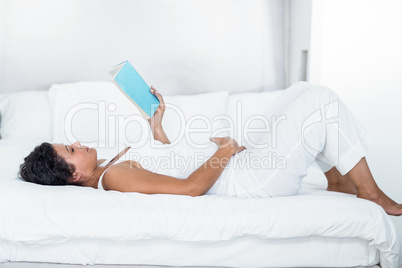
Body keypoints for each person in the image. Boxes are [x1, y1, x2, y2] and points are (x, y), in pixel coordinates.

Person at [19, 84, 402, 216]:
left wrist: (157, 125)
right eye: (72, 148)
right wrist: (227, 150)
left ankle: (337, 180)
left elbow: (165, 164)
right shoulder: (113, 177)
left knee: (300, 91)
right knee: (319, 100)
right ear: (74, 175)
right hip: (246, 180)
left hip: (231, 163)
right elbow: (189, 189)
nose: (80, 143)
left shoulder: (110, 167)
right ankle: (372, 193)